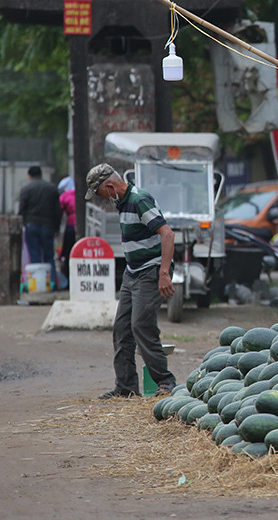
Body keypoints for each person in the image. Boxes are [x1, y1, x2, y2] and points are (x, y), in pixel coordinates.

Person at [86, 163, 176, 399]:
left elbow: (167, 234)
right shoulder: (123, 202)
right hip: (132, 272)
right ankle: (126, 387)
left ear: (110, 186)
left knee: (141, 325)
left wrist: (164, 273)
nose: (102, 199)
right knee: (122, 329)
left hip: (150, 270)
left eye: (100, 193)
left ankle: (165, 382)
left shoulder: (139, 200)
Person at [18, 165, 64, 290]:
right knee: (49, 256)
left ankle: (38, 284)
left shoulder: (26, 189)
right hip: (48, 226)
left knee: (35, 256)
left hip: (31, 226)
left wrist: (23, 224)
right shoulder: (52, 189)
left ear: (29, 176)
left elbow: (22, 209)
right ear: (41, 174)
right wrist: (57, 227)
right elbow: (58, 210)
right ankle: (52, 283)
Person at [57, 176, 76, 282]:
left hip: (70, 225)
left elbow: (59, 211)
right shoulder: (81, 194)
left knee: (68, 251)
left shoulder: (64, 196)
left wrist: (56, 227)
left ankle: (68, 276)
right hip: (80, 224)